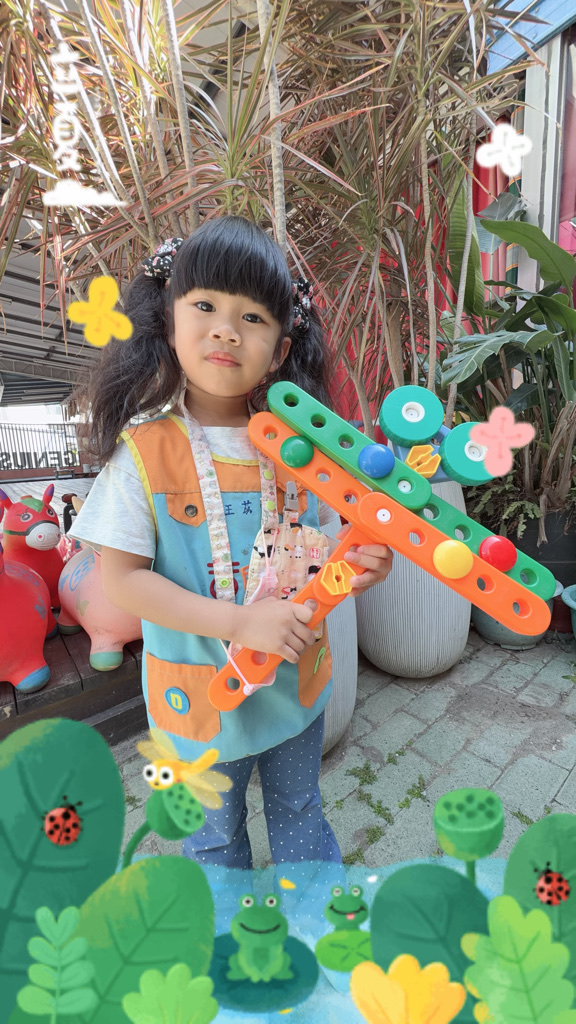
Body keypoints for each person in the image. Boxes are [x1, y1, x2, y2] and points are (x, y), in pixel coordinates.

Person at [69, 215, 392, 881]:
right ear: (168, 321)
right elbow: (122, 583)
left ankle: (316, 923)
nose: (225, 330)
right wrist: (240, 624)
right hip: (196, 701)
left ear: (278, 349)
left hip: (293, 687)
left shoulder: (300, 449)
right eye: (205, 307)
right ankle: (226, 936)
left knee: (301, 811)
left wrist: (354, 565)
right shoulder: (142, 453)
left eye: (251, 317)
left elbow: (318, 549)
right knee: (214, 845)